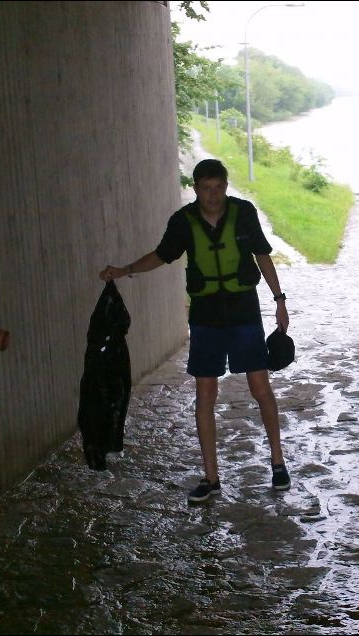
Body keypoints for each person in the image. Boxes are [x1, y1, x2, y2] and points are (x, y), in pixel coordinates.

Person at [100, 159, 290, 504]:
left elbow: (262, 256)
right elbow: (161, 255)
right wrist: (126, 269)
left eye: (218, 187)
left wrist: (280, 300)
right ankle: (211, 478)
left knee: (260, 388)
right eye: (206, 188)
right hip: (206, 316)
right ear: (195, 188)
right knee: (205, 395)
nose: (213, 195)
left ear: (226, 187)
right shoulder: (183, 222)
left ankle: (278, 462)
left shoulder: (244, 213)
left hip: (244, 310)